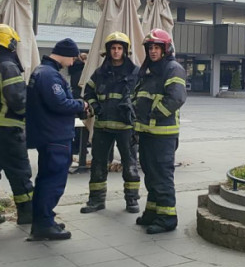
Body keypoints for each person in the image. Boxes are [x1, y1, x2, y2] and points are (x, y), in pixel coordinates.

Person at [26, 38, 87, 240]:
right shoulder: (49, 75)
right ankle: (43, 224)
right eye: (73, 57)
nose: (73, 62)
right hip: (55, 135)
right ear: (67, 54)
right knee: (52, 181)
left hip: (48, 134)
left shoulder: (42, 71)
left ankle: (45, 219)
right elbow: (59, 104)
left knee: (45, 179)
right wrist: (81, 105)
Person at [133, 29, 187, 234]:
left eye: (157, 47)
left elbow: (176, 98)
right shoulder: (148, 70)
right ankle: (153, 212)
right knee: (151, 174)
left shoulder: (173, 68)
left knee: (162, 175)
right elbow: (138, 95)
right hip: (147, 133)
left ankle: (167, 217)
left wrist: (153, 114)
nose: (153, 51)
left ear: (166, 49)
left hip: (163, 134)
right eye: (150, 48)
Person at [80, 32, 140, 215]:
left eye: (119, 48)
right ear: (108, 50)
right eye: (113, 48)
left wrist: (132, 108)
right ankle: (96, 200)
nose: (116, 51)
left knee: (130, 165)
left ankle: (132, 200)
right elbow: (88, 91)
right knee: (98, 164)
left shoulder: (135, 72)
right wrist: (95, 106)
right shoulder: (99, 73)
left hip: (126, 128)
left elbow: (142, 96)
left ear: (125, 50)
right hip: (102, 127)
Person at [0, 25, 33, 225]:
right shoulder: (7, 66)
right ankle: (27, 213)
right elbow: (18, 100)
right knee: (20, 172)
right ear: (10, 42)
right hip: (8, 129)